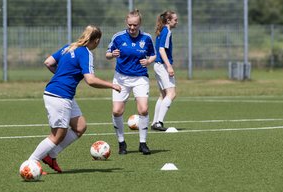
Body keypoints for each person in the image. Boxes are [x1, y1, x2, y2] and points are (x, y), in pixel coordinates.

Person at [26, 25, 121, 173]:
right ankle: (31, 162)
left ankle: (51, 155)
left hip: (62, 94)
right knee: (56, 136)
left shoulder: (68, 47)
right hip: (60, 96)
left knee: (80, 126)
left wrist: (62, 75)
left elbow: (48, 62)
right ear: (96, 40)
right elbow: (90, 80)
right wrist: (111, 85)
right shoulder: (86, 53)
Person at [106, 9, 156, 155]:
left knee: (143, 110)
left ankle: (143, 143)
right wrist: (112, 54)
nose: (132, 28)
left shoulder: (146, 38)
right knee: (117, 111)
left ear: (140, 24)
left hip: (140, 77)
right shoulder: (118, 37)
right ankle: (121, 143)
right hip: (121, 78)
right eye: (130, 25)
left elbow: (153, 55)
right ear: (126, 23)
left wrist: (148, 61)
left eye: (135, 25)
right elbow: (108, 54)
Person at [151, 10, 178, 131]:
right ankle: (159, 122)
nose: (177, 22)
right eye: (175, 20)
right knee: (171, 94)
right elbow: (161, 50)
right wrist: (169, 66)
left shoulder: (162, 30)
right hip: (162, 65)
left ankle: (154, 123)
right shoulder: (167, 31)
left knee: (163, 95)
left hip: (157, 65)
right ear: (168, 20)